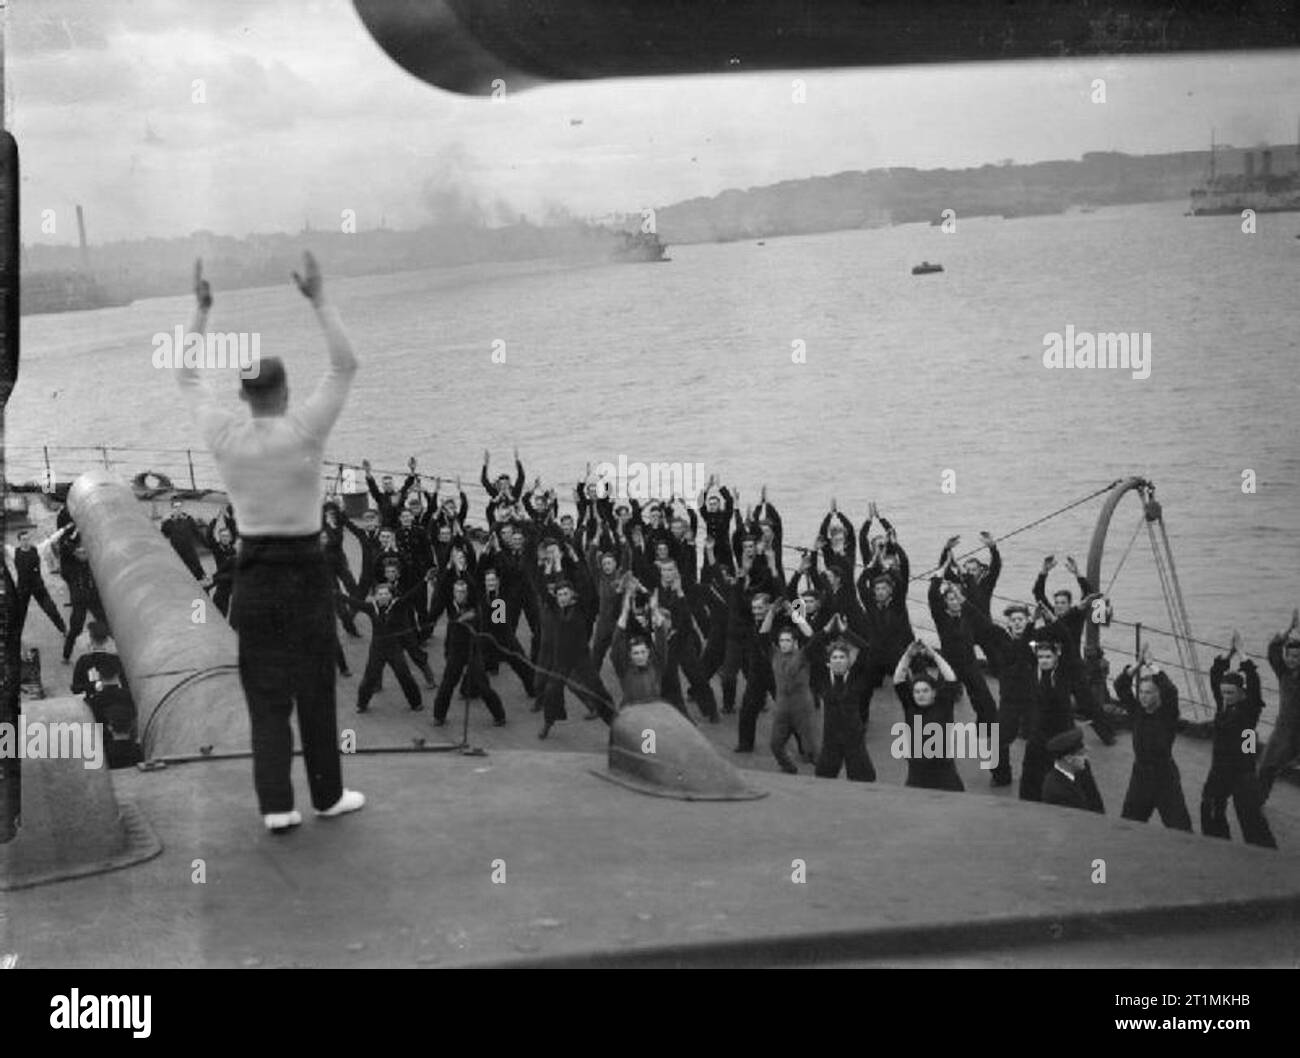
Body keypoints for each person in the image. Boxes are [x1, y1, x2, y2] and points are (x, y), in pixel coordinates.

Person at [176, 254, 363, 833]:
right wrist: (317, 299)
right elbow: (345, 365)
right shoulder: (305, 431)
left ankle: (277, 807)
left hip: (252, 571)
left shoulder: (226, 434)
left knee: (265, 695)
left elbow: (185, 376)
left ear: (245, 394)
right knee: (314, 690)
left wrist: (201, 309)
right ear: (284, 392)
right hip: (307, 570)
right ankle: (327, 796)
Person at [1203, 633, 1277, 848]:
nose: (1226, 696)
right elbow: (1215, 674)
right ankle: (1218, 841)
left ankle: (1265, 851)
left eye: (1231, 692)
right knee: (1210, 805)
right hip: (1220, 765)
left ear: (1241, 692)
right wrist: (1229, 654)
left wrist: (1243, 654)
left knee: (1249, 813)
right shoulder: (1223, 704)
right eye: (1223, 692)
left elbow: (1254, 682)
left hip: (1243, 767)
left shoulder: (1249, 707)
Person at [1113, 645, 1192, 831]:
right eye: (1141, 692)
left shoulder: (1167, 715)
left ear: (1158, 695)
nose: (1143, 697)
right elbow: (1120, 686)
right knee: (1129, 824)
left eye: (1148, 693)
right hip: (1140, 777)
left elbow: (1171, 690)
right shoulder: (1137, 712)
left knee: (1180, 829)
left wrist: (1152, 665)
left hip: (1165, 778)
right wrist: (1138, 665)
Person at [431, 578, 506, 727]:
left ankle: (499, 715)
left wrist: (464, 619)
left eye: (463, 591)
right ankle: (439, 716)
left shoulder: (475, 606)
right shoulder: (451, 606)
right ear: (453, 593)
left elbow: (476, 617)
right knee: (447, 684)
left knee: (483, 685)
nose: (461, 594)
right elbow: (448, 623)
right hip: (455, 651)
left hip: (472, 649)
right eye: (458, 591)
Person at [892, 640, 965, 791]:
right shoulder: (910, 706)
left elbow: (950, 678)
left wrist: (934, 655)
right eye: (917, 692)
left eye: (925, 691)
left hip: (944, 774)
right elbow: (898, 679)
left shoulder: (943, 705)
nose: (920, 695)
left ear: (934, 692)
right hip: (917, 774)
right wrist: (907, 655)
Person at [813, 613, 876, 782]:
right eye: (835, 658)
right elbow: (812, 647)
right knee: (823, 780)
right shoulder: (824, 678)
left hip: (854, 739)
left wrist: (844, 631)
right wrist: (826, 631)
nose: (839, 661)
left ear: (849, 661)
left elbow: (866, 649)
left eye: (842, 657)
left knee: (864, 780)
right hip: (831, 740)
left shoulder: (856, 677)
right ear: (829, 662)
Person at [761, 600, 819, 774]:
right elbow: (763, 635)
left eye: (787, 640)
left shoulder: (803, 655)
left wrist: (796, 615)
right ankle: (789, 768)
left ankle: (826, 776)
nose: (783, 643)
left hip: (803, 710)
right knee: (775, 745)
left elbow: (811, 636)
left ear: (795, 642)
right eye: (781, 641)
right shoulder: (775, 655)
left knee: (811, 750)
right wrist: (771, 612)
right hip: (783, 709)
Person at [1258, 610, 1300, 803]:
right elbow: (1274, 650)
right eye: (1290, 656)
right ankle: (1256, 800)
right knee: (1267, 765)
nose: (1292, 660)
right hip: (1284, 729)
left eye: (1297, 657)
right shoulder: (1283, 673)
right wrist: (1290, 629)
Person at [5, 524, 70, 639]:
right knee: (19, 615)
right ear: (19, 541)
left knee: (51, 609)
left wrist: (64, 529)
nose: (26, 541)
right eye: (23, 540)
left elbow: (51, 540)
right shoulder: (14, 552)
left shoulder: (37, 549)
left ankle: (63, 629)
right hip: (23, 589)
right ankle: (14, 637)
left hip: (38, 587)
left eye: (27, 539)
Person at [1040, 727, 1105, 813]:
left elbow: (1095, 800)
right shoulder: (1056, 791)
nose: (1086, 758)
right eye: (1082, 754)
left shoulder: (1080, 770)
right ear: (1069, 758)